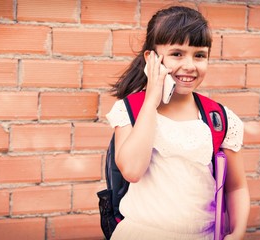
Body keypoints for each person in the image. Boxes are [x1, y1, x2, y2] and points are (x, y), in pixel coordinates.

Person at [106, 5, 250, 240]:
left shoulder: (219, 118)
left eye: (200, 55)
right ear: (151, 58)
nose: (190, 65)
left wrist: (238, 232)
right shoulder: (130, 110)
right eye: (177, 54)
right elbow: (132, 170)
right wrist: (151, 99)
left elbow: (236, 187)